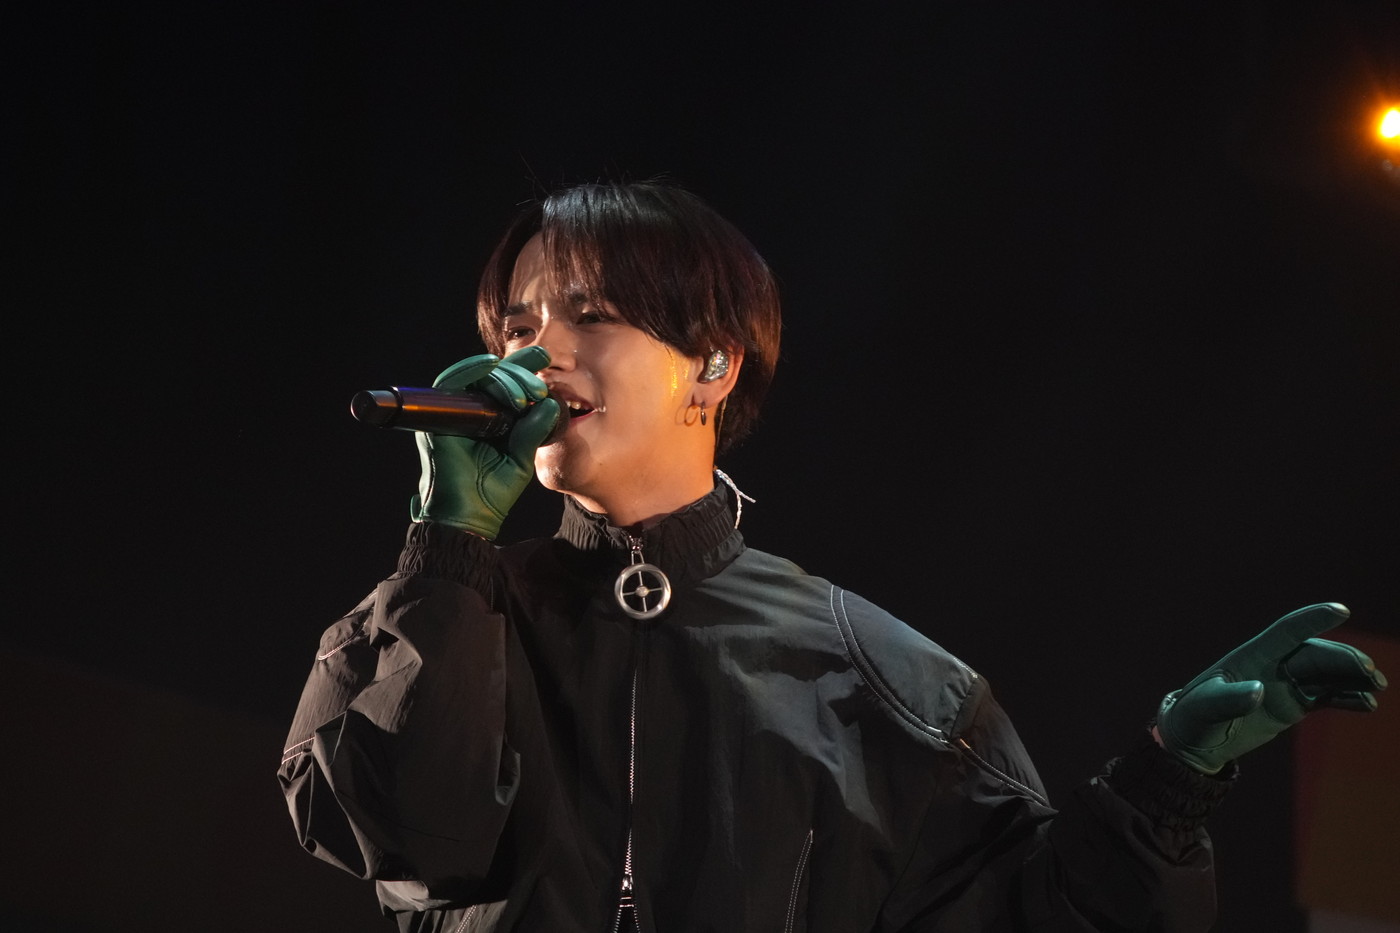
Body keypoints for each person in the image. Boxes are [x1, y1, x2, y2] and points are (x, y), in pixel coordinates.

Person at [279, 180, 1386, 932]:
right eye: (517, 327)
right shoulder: (439, 612)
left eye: (590, 313)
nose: (538, 355)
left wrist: (1165, 783)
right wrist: (449, 538)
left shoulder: (888, 681)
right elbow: (403, 839)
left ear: (712, 364)